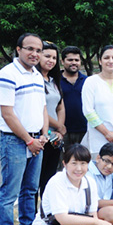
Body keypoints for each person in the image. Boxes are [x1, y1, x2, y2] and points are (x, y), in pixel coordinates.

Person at [0, 33, 49, 225]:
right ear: (18, 49)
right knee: (10, 194)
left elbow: (43, 109)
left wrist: (44, 135)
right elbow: (8, 113)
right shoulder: (8, 74)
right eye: (30, 49)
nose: (34, 53)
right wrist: (29, 140)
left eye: (38, 50)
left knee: (30, 190)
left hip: (37, 140)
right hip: (15, 141)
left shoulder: (36, 74)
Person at [37, 41, 65, 197]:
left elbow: (60, 106)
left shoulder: (54, 81)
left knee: (49, 177)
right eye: (47, 56)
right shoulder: (34, 79)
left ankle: (46, 212)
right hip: (41, 135)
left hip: (55, 137)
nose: (51, 60)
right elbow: (40, 110)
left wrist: (60, 128)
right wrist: (59, 127)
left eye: (54, 58)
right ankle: (32, 215)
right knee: (36, 179)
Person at [60, 46, 87, 147]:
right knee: (63, 161)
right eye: (70, 60)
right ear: (62, 61)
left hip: (84, 130)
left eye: (77, 60)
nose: (74, 62)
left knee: (83, 161)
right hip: (62, 131)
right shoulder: (55, 81)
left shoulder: (87, 81)